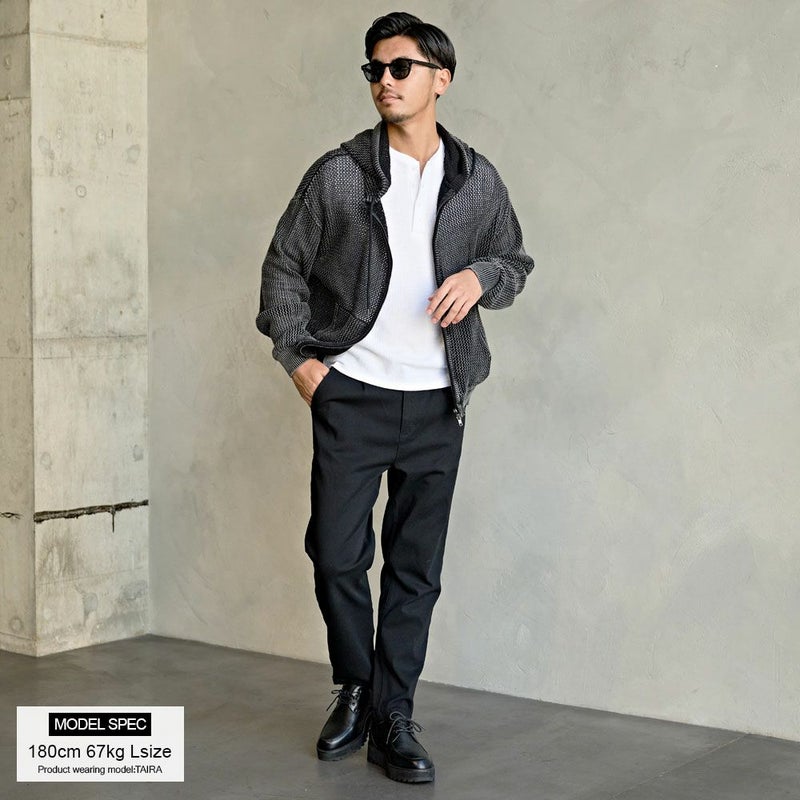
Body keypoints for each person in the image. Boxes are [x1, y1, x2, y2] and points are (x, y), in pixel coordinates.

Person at [256, 11, 534, 784]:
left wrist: (480, 276)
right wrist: (300, 362)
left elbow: (514, 260)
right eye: (374, 69)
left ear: (441, 79)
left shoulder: (476, 179)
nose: (385, 80)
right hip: (352, 395)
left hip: (439, 402)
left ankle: (394, 716)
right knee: (336, 555)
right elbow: (283, 269)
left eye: (401, 67)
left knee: (416, 569)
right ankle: (356, 685)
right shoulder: (340, 174)